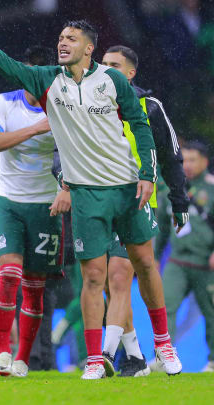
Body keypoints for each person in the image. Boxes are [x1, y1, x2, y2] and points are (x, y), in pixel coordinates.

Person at [0, 17, 183, 379]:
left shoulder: (112, 80)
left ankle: (164, 343)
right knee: (94, 276)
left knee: (144, 263)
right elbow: (7, 65)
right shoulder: (47, 79)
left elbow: (139, 124)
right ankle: (94, 358)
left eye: (71, 39)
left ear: (89, 48)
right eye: (61, 37)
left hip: (124, 187)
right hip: (84, 192)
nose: (63, 42)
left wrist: (148, 175)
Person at [99, 45, 188, 377]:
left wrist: (179, 202)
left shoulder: (148, 107)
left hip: (137, 201)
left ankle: (113, 353)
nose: (106, 70)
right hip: (96, 200)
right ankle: (135, 357)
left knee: (124, 274)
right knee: (107, 282)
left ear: (131, 73)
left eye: (114, 65)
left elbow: (171, 156)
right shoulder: (88, 104)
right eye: (103, 64)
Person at [0, 45, 67, 377]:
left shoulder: (62, 108)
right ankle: (2, 352)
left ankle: (22, 359)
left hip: (46, 206)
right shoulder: (6, 101)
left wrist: (66, 189)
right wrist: (35, 128)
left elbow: (74, 156)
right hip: (8, 202)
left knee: (35, 287)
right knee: (8, 276)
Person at [157, 141, 214, 373]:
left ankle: (213, 361)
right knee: (164, 308)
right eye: (184, 160)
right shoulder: (171, 188)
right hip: (177, 262)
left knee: (211, 313)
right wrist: (150, 259)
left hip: (206, 263)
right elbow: (160, 229)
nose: (187, 165)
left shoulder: (211, 189)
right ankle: (163, 360)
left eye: (192, 160)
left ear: (205, 162)